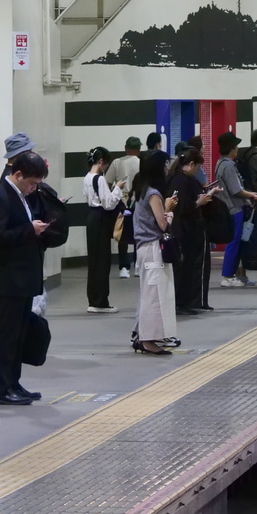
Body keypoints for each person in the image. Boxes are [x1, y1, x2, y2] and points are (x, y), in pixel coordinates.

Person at [0, 150, 51, 405]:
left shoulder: (19, 196)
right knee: (7, 336)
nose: (34, 188)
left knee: (19, 334)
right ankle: (1, 389)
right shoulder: (1, 197)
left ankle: (14, 383)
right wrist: (29, 229)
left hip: (22, 279)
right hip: (10, 280)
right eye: (32, 183)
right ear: (19, 175)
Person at [131, 151, 180, 354]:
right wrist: (169, 210)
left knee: (148, 293)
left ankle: (141, 334)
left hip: (144, 248)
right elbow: (162, 225)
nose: (167, 168)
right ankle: (147, 340)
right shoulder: (153, 194)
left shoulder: (141, 190)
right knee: (154, 295)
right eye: (165, 164)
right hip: (153, 248)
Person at [167, 150, 217, 314]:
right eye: (198, 167)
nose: (198, 171)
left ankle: (185, 302)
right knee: (185, 268)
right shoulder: (182, 181)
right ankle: (183, 302)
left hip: (183, 228)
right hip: (185, 229)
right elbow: (183, 207)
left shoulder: (179, 179)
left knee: (185, 267)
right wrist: (199, 203)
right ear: (191, 164)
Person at [215, 132, 257, 288]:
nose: (237, 149)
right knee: (233, 243)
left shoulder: (220, 163)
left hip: (228, 207)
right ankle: (227, 276)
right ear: (231, 148)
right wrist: (252, 195)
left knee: (235, 242)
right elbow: (236, 190)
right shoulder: (228, 166)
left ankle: (233, 274)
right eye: (236, 146)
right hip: (234, 209)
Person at [83, 146, 125, 313]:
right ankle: (101, 302)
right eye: (106, 163)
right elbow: (108, 204)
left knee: (94, 260)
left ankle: (93, 299)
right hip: (100, 218)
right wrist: (118, 188)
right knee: (103, 260)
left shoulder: (87, 177)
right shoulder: (99, 179)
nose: (106, 167)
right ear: (101, 161)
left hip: (91, 217)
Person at [107, 136, 142, 279]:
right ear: (139, 149)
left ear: (126, 148)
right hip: (137, 201)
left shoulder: (117, 162)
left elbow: (108, 182)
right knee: (138, 232)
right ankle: (138, 266)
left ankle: (124, 267)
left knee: (122, 232)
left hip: (121, 201)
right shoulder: (142, 162)